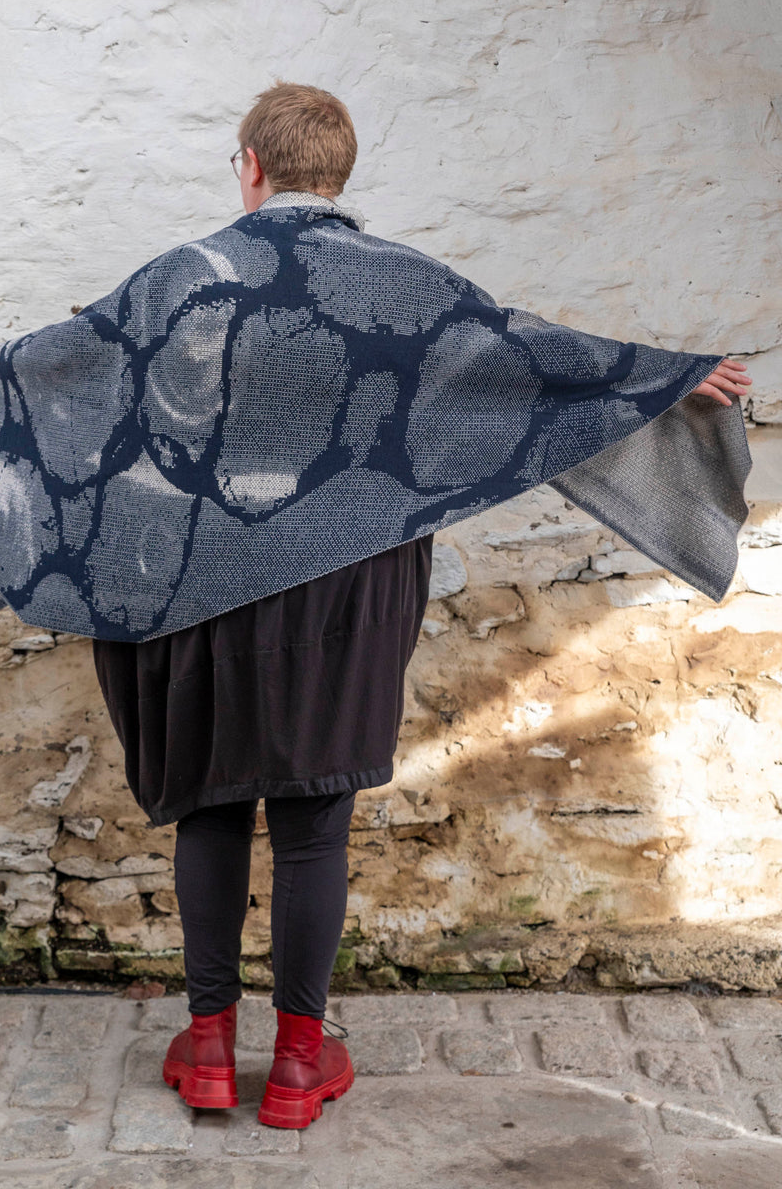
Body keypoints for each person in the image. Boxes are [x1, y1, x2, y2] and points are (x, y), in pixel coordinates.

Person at [89, 81, 751, 1130]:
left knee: (211, 807)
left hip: (204, 592)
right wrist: (663, 379)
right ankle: (300, 1069)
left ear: (250, 167)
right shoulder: (410, 286)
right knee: (313, 824)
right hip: (345, 591)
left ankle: (210, 1049)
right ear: (339, 176)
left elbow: (67, 378)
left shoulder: (183, 280)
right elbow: (534, 360)